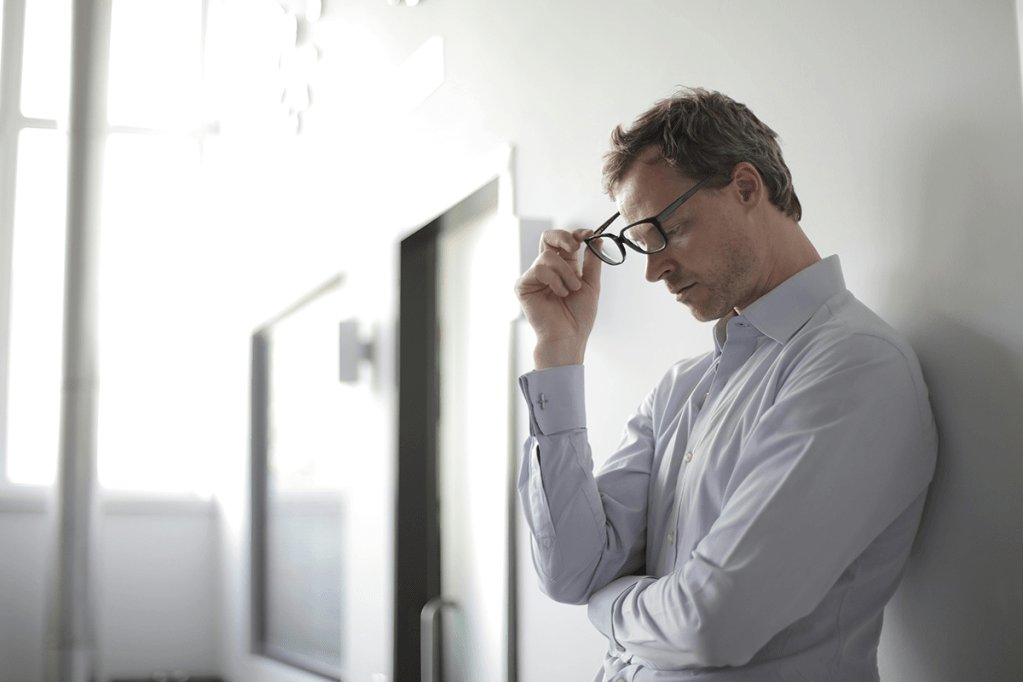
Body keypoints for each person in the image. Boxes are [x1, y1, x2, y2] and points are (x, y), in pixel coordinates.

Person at [514, 87, 937, 681]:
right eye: (638, 244)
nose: (653, 268)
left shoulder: (854, 364)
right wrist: (558, 351)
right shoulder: (679, 390)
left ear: (745, 187)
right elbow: (568, 570)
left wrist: (608, 604)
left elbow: (711, 622)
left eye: (666, 231)